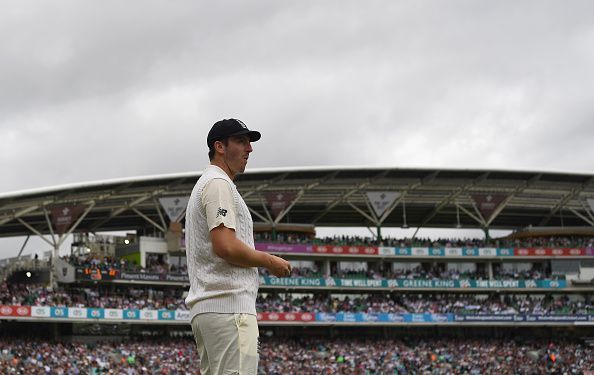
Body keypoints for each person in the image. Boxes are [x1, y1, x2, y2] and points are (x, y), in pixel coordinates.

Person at [185, 118, 292, 375]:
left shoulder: (211, 183)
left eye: (249, 142)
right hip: (229, 308)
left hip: (213, 309)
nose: (249, 149)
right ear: (219, 147)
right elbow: (225, 246)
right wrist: (269, 260)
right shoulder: (218, 183)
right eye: (241, 141)